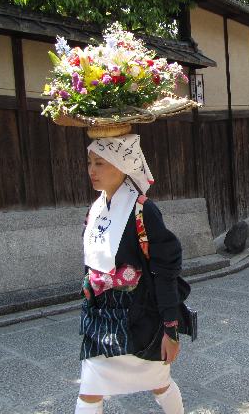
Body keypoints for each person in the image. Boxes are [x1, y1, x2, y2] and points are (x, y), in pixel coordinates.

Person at [76, 134, 187, 414]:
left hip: (138, 317)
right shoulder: (96, 208)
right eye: (90, 162)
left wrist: (171, 328)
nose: (92, 170)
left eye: (100, 163)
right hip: (100, 317)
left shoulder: (143, 210)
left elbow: (165, 270)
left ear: (123, 165)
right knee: (89, 390)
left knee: (159, 384)